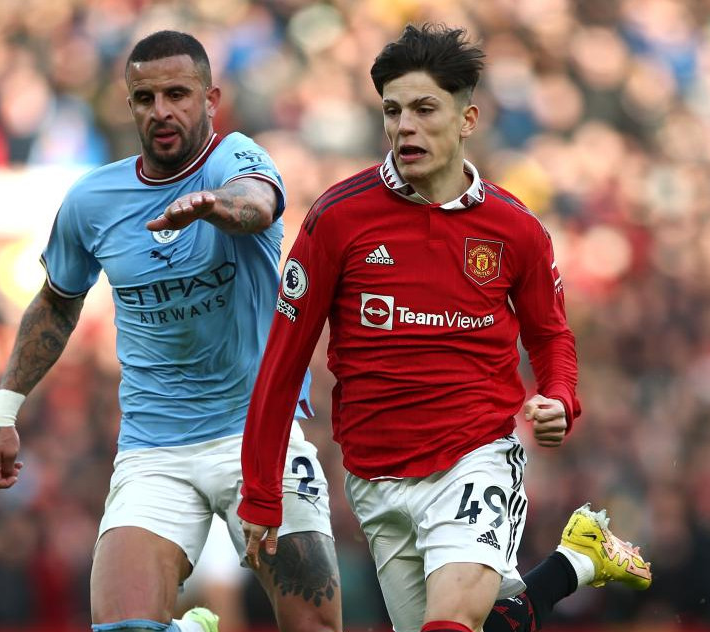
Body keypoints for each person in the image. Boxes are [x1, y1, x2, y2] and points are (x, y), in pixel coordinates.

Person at [237, 24, 651, 632]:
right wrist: (260, 489)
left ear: (466, 119)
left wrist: (561, 396)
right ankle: (574, 561)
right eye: (393, 111)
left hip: (474, 456)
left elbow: (551, 335)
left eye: (425, 108)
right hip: (374, 477)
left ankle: (570, 563)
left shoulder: (515, 229)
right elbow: (283, 359)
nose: (405, 125)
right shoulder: (337, 219)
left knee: (452, 625)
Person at [0, 30, 341, 632]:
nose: (162, 111)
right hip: (153, 450)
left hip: (258, 435)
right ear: (130, 106)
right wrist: (4, 410)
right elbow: (56, 304)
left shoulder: (235, 160)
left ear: (210, 99)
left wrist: (211, 208)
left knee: (315, 626)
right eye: (146, 98)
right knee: (123, 628)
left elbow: (259, 205)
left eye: (178, 94)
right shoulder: (92, 201)